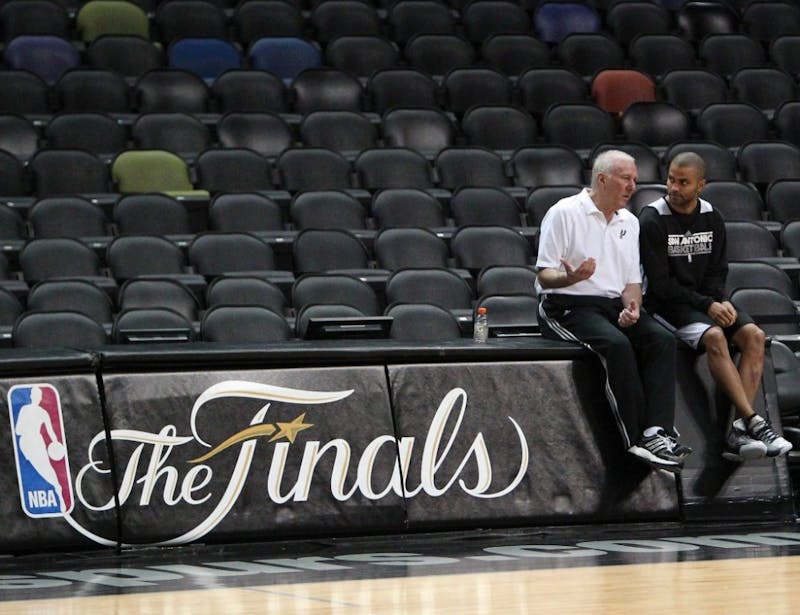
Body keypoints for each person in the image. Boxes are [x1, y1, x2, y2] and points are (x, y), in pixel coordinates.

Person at [536, 150, 690, 472]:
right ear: (602, 179)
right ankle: (635, 439)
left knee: (662, 339)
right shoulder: (564, 212)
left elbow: (632, 282)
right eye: (626, 178)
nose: (633, 186)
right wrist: (571, 278)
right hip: (566, 304)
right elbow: (545, 275)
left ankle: (657, 432)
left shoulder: (629, 222)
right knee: (617, 345)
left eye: (635, 179)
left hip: (612, 305)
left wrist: (633, 307)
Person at [639, 152, 792, 462]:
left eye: (683, 182)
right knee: (715, 337)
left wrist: (719, 301)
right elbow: (661, 284)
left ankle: (738, 431)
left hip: (703, 301)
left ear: (701, 185)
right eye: (671, 180)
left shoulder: (712, 216)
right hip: (665, 305)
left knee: (754, 336)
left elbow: (717, 271)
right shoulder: (652, 218)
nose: (674, 188)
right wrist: (708, 305)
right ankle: (754, 421)